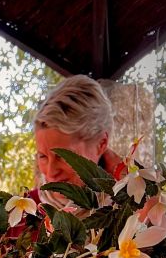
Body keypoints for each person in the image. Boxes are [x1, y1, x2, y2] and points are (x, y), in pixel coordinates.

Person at [32, 74, 122, 209]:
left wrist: (126, 175)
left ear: (101, 144)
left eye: (63, 156)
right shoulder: (23, 214)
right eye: (43, 156)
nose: (50, 172)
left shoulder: (130, 209)